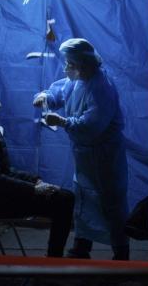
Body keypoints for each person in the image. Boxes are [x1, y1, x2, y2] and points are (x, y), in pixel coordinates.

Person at [32, 38, 130, 260]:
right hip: (86, 156)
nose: (66, 68)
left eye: (69, 64)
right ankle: (81, 248)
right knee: (84, 201)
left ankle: (121, 255)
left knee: (110, 205)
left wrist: (64, 122)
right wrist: (46, 96)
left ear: (83, 64)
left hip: (105, 157)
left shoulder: (101, 88)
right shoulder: (78, 80)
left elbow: (92, 126)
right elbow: (60, 91)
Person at [0, 88, 74, 257]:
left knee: (65, 197)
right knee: (65, 200)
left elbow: (6, 171)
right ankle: (53, 261)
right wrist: (33, 189)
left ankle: (54, 259)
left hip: (1, 197)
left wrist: (35, 180)